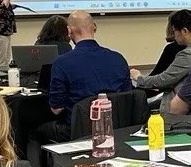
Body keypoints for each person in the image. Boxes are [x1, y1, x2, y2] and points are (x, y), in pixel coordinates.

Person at [43, 11, 131, 142]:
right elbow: (126, 99)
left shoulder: (62, 63)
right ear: (95, 26)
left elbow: (56, 109)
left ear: (68, 31)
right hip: (115, 129)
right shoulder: (118, 59)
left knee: (33, 133)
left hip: (76, 131)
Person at [130, 10, 191, 115]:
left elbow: (163, 80)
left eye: (174, 31)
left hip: (179, 109)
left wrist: (138, 78)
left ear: (184, 31)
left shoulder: (188, 54)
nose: (173, 35)